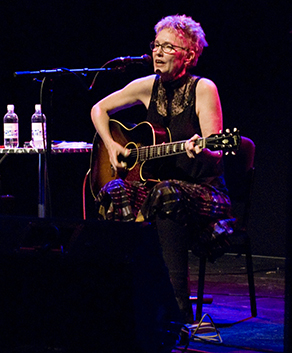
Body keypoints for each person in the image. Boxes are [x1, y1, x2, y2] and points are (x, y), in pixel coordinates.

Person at [90, 15, 232, 324]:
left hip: (204, 192)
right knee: (114, 189)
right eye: (157, 45)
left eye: (168, 46)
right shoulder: (146, 87)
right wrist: (112, 147)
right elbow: (98, 109)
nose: (158, 52)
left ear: (189, 54)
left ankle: (176, 310)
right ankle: (123, 296)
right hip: (161, 188)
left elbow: (216, 154)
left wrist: (202, 150)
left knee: (165, 192)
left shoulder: (203, 89)